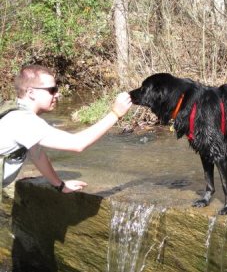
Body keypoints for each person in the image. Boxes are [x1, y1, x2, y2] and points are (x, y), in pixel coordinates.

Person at [0, 64, 132, 193]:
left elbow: (37, 154)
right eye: (52, 90)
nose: (57, 94)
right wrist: (115, 114)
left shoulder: (13, 110)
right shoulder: (23, 120)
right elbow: (77, 144)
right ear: (31, 92)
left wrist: (59, 185)